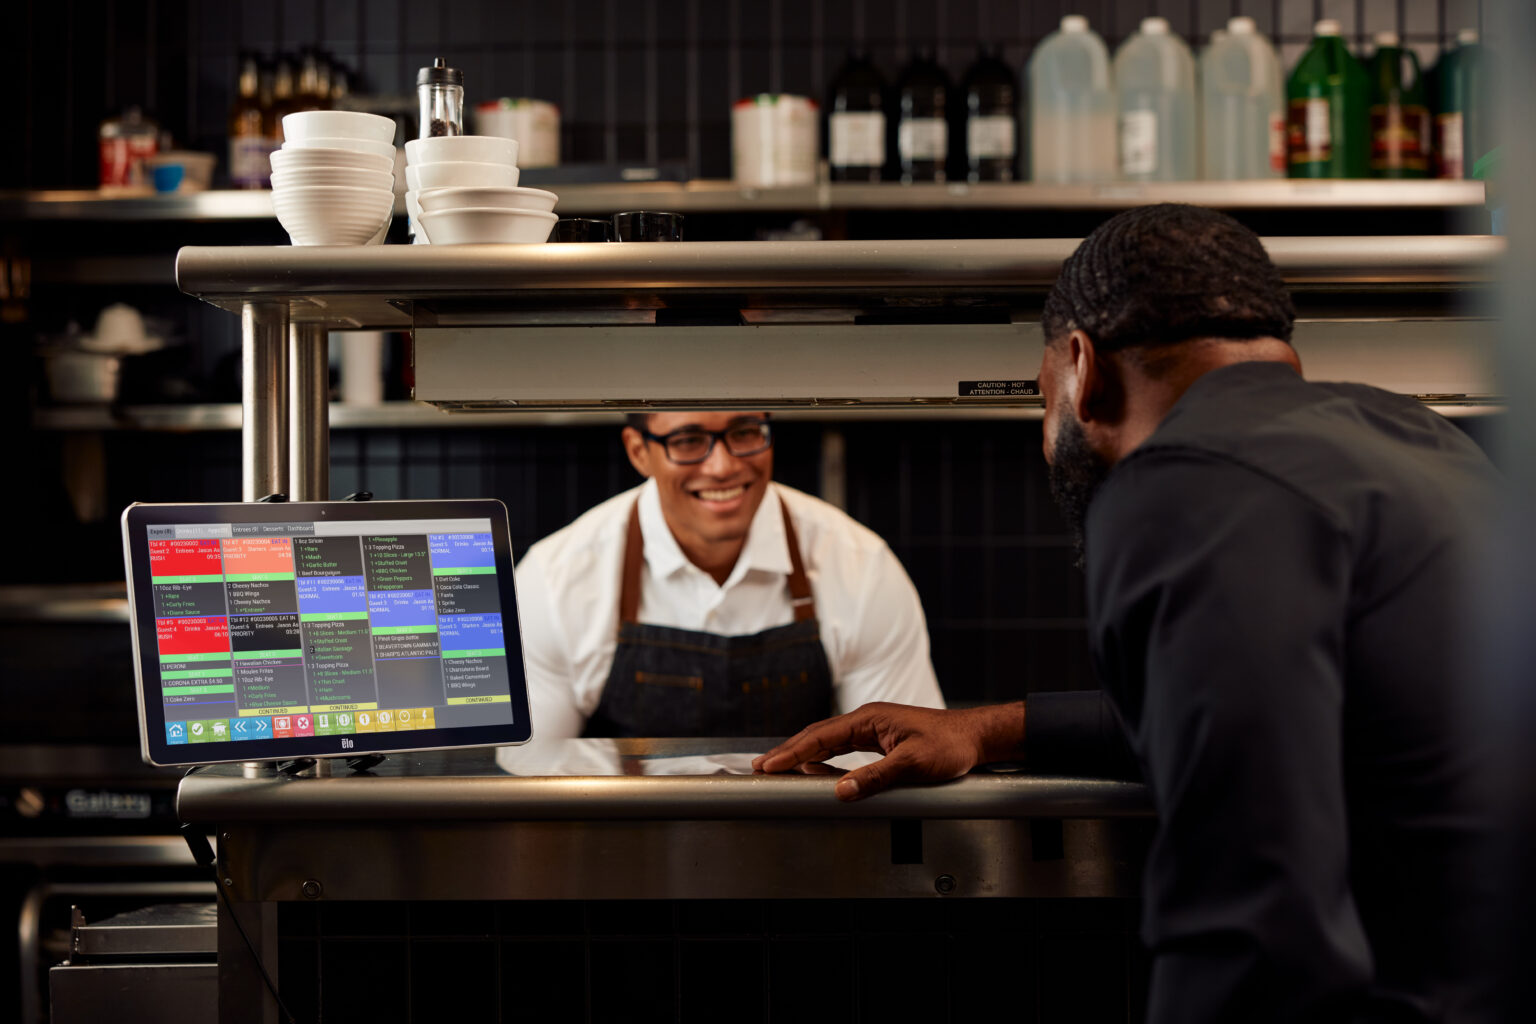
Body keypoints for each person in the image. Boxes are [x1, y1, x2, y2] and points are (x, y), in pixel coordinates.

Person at [754, 205, 1498, 1023]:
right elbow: (1267, 710)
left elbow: (1250, 916)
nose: (1049, 437)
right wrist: (985, 729)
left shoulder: (1177, 485)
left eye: (1043, 401)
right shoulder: (1423, 441)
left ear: (1082, 367)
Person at [513, 411, 944, 738]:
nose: (721, 466)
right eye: (688, 440)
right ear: (639, 450)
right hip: (624, 846)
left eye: (744, 432)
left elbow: (898, 758)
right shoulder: (553, 580)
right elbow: (532, 780)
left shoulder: (861, 567)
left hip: (808, 842)